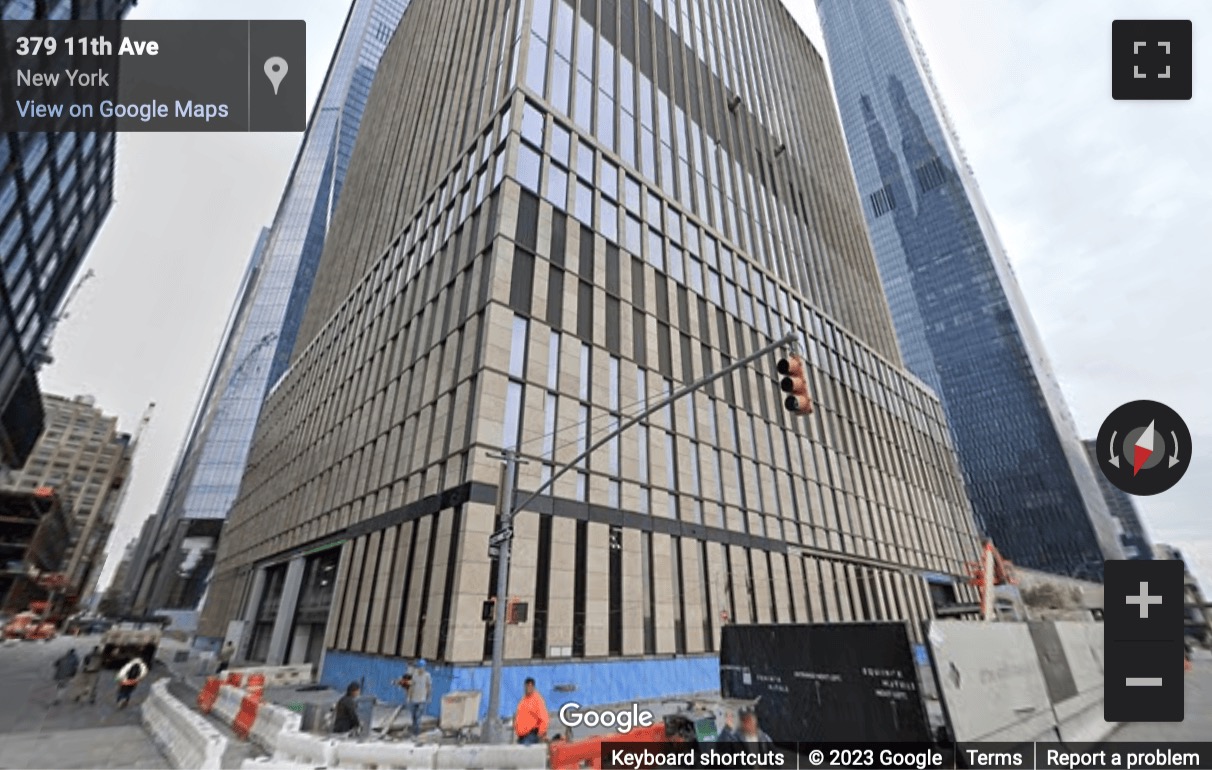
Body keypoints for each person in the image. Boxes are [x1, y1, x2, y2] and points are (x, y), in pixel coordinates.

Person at [513, 677, 549, 745]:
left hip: (531, 736)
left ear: (533, 687)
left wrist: (540, 733)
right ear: (524, 686)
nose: (528, 688)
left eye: (531, 686)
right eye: (527, 686)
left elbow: (544, 718)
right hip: (522, 737)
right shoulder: (523, 700)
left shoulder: (537, 700)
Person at [402, 659, 432, 736]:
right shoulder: (414, 676)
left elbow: (428, 687)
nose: (421, 669)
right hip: (414, 699)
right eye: (420, 667)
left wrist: (428, 697)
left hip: (422, 699)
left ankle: (417, 733)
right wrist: (409, 697)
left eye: (422, 667)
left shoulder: (427, 676)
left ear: (424, 668)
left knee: (418, 716)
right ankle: (414, 730)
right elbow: (411, 687)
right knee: (414, 716)